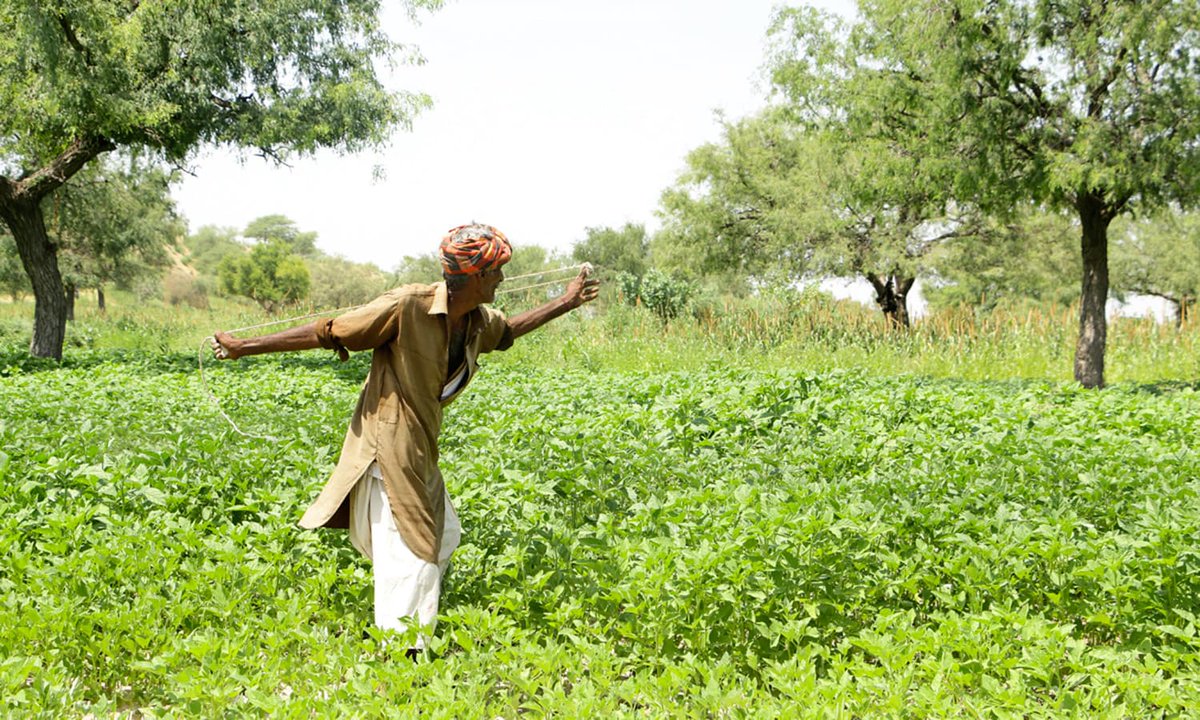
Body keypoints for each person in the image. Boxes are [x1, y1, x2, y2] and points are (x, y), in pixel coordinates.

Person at [211, 223, 600, 654]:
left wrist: (565, 302)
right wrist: (244, 347)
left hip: (420, 447)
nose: (502, 280)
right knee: (413, 549)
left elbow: (506, 332)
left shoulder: (473, 321)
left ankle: (402, 617)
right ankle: (404, 651)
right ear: (471, 277)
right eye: (494, 273)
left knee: (443, 535)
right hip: (388, 443)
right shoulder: (407, 306)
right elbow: (330, 331)